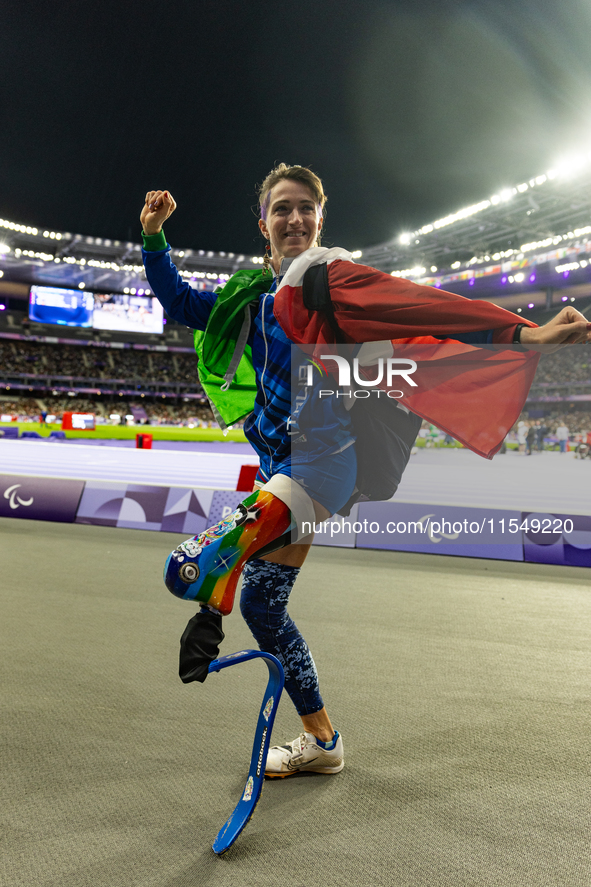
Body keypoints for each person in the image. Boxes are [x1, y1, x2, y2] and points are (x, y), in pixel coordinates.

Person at [140, 164, 591, 779]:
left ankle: (208, 608)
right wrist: (154, 240)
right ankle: (323, 743)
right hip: (282, 467)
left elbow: (419, 312)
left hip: (320, 466)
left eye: (305, 208)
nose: (294, 218)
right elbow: (181, 303)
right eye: (282, 208)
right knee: (265, 609)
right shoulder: (253, 297)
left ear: (321, 218)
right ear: (264, 222)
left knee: (187, 568)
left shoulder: (328, 278)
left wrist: (520, 333)